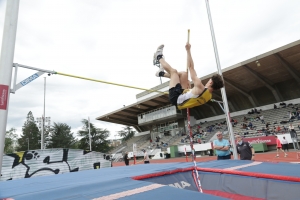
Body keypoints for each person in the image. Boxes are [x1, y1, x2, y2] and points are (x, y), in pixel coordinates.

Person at [153, 43, 224, 110]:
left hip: (176, 98)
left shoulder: (200, 86)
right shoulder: (209, 96)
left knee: (174, 72)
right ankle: (161, 73)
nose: (208, 81)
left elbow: (191, 67)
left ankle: (158, 56)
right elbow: (194, 97)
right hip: (182, 95)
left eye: (209, 80)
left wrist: (188, 50)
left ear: (211, 82)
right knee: (184, 74)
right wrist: (190, 90)